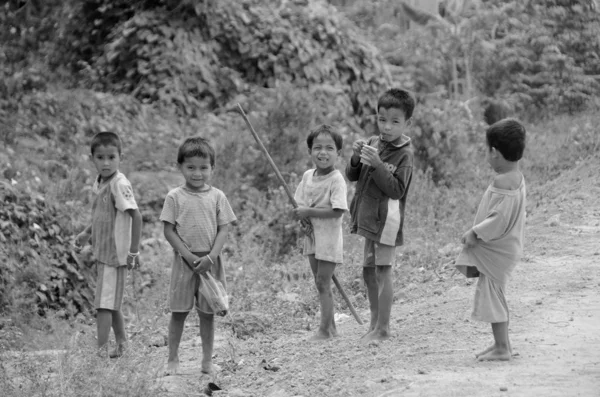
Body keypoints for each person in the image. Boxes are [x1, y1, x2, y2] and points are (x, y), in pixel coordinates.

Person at [160, 136, 236, 375]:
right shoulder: (175, 197)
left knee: (207, 314)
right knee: (179, 313)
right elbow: (168, 230)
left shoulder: (217, 196)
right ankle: (173, 359)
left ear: (212, 168)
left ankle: (206, 361)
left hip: (210, 264)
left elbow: (224, 228)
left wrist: (211, 257)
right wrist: (188, 256)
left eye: (203, 168)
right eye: (190, 167)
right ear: (180, 167)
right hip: (185, 264)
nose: (197, 173)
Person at [346, 88, 415, 341]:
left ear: (407, 123)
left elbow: (397, 190)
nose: (386, 127)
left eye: (395, 122)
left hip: (387, 222)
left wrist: (376, 165)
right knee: (368, 271)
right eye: (382, 119)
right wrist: (356, 157)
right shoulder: (374, 143)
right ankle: (374, 323)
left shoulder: (404, 154)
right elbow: (353, 176)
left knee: (383, 271)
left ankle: (384, 328)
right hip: (369, 219)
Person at [455, 118, 527, 361]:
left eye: (487, 150)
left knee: (492, 295)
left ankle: (502, 348)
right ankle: (502, 344)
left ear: (495, 153)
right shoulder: (517, 175)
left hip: (499, 250)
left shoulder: (501, 182)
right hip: (510, 246)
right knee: (496, 294)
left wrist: (475, 233)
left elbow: (498, 219)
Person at [75, 131, 143, 358]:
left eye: (111, 157)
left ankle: (101, 352)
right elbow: (101, 216)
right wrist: (86, 233)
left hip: (116, 255)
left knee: (103, 305)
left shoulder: (119, 184)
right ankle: (122, 345)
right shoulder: (100, 183)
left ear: (120, 158)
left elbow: (137, 216)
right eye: (101, 157)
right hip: (104, 252)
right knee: (110, 302)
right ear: (92, 158)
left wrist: (134, 251)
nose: (106, 163)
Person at [293, 125, 348, 341]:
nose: (322, 152)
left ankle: (325, 330)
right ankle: (331, 328)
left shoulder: (336, 180)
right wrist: (302, 219)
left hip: (329, 239)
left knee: (323, 282)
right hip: (312, 237)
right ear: (310, 151)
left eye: (329, 148)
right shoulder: (308, 176)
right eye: (317, 148)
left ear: (338, 153)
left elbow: (337, 211)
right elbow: (299, 205)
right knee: (319, 281)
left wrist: (308, 211)